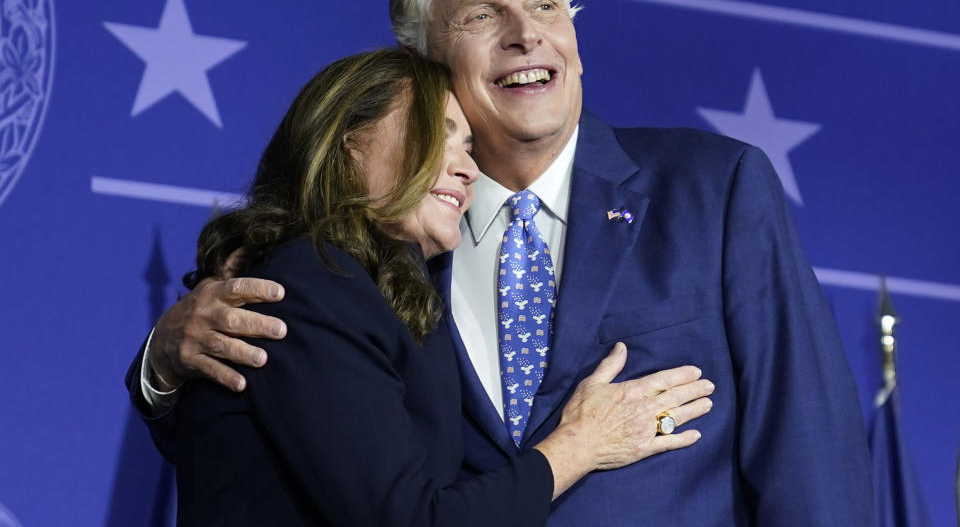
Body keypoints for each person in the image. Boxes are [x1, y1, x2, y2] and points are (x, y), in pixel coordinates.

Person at [128, 0, 874, 525]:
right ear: (424, 58)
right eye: (483, 14)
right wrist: (163, 366)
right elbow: (303, 451)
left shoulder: (714, 189)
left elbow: (809, 451)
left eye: (546, 4)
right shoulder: (380, 251)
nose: (526, 32)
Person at [162, 48, 713, 525]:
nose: (467, 168)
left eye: (468, 146)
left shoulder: (374, 287)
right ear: (351, 142)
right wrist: (583, 443)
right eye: (438, 134)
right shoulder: (310, 280)